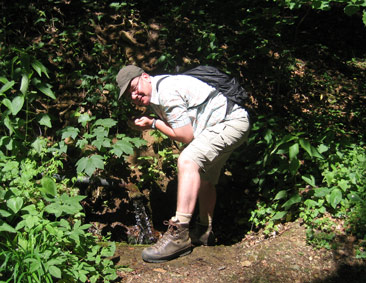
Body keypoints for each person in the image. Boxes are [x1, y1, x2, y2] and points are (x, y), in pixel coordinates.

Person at [116, 65, 250, 263]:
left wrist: (153, 124)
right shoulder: (161, 89)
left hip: (230, 122)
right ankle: (204, 232)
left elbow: (185, 136)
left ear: (145, 76)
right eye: (129, 94)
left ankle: (179, 234)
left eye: (134, 88)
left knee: (188, 160)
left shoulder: (167, 92)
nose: (134, 95)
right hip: (229, 122)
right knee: (204, 178)